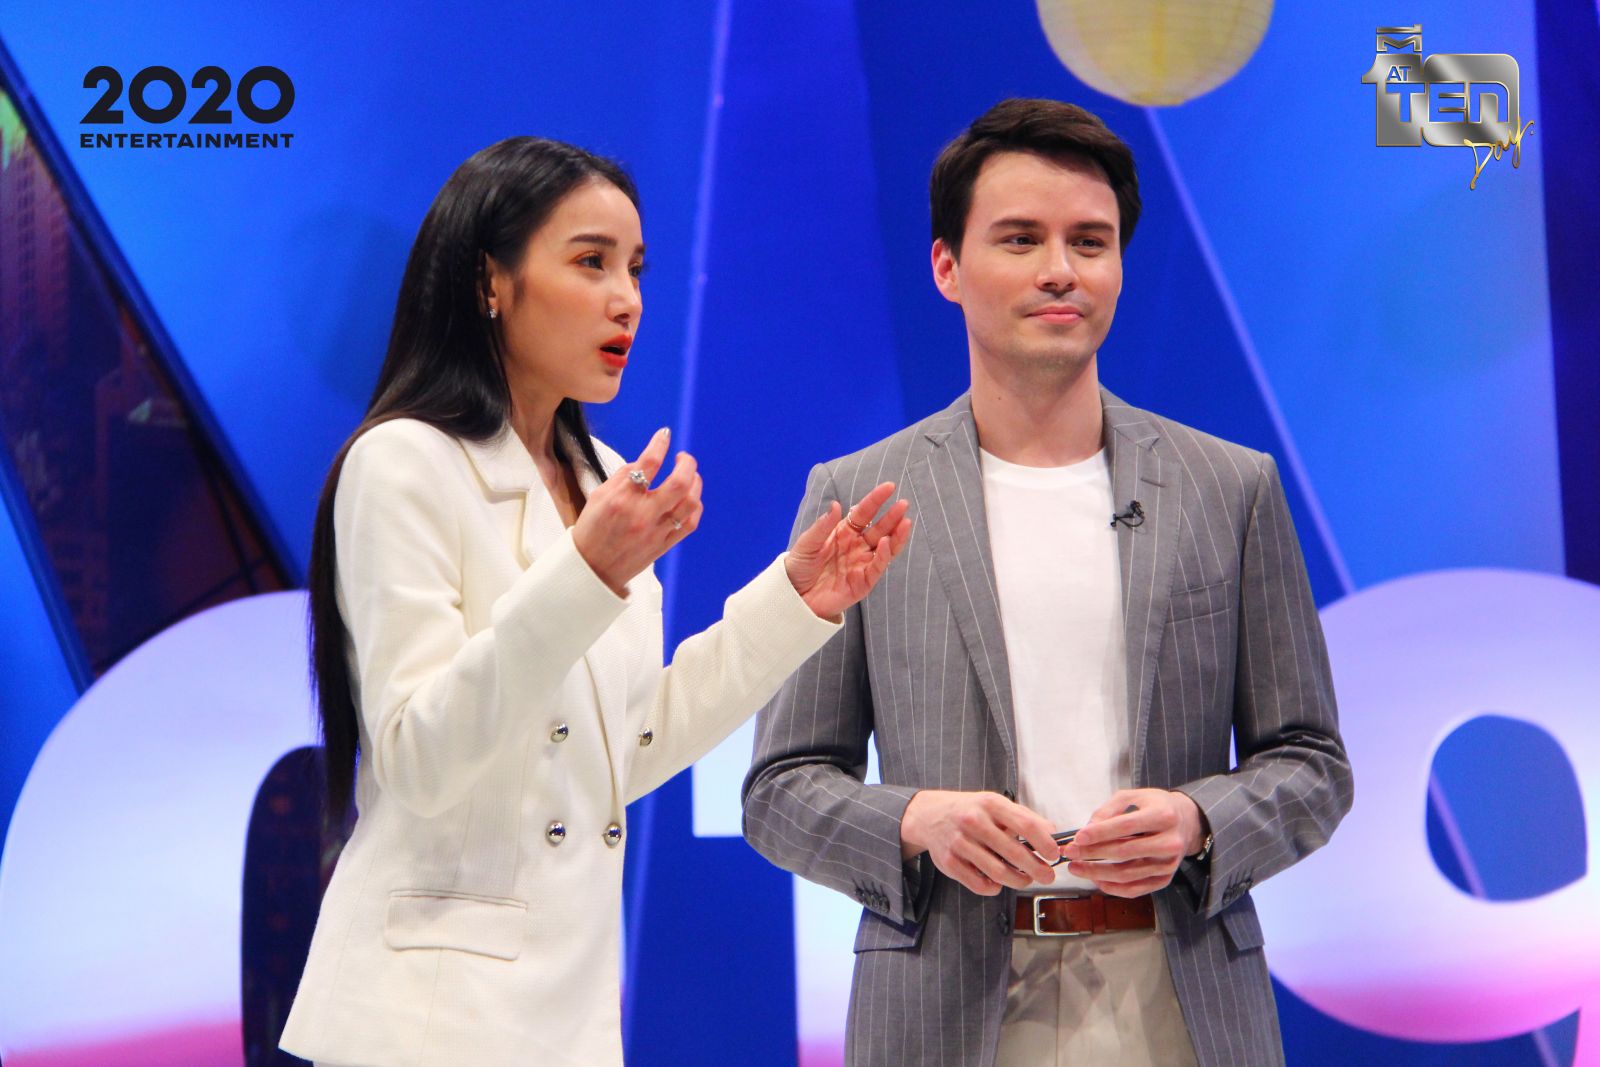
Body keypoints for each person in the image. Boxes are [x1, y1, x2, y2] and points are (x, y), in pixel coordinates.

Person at [742, 99, 1353, 1067]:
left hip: (1178, 997)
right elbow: (779, 787)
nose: (1060, 269)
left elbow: (1312, 763)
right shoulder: (859, 496)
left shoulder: (1229, 488)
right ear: (947, 267)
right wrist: (917, 820)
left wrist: (1199, 820)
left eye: (1090, 242)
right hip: (947, 1006)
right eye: (1021, 239)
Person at [278, 136, 912, 1067]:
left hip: (568, 1017)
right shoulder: (402, 460)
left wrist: (794, 601)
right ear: (491, 282)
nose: (627, 299)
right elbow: (416, 756)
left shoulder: (603, 477)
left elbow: (627, 746)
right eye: (591, 262)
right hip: (424, 1020)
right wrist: (586, 572)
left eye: (636, 269)